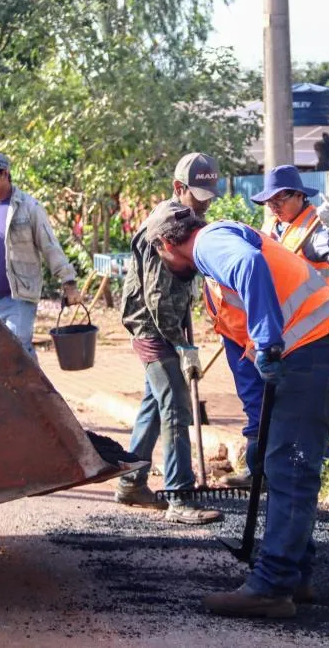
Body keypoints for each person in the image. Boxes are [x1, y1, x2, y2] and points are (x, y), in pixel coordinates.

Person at [144, 202, 329, 618]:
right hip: (318, 354)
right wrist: (255, 426)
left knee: (291, 469)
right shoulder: (212, 274)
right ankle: (294, 574)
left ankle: (272, 587)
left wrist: (268, 342)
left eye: (157, 254)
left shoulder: (210, 242)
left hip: (318, 351)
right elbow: (242, 355)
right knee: (283, 464)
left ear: (165, 243)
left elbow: (250, 267)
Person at [220, 164, 329, 488]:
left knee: (307, 400)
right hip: (278, 330)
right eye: (269, 202)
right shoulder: (273, 229)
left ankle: (322, 467)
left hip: (310, 331)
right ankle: (265, 470)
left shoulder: (315, 230)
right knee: (270, 398)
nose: (274, 207)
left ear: (299, 196)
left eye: (280, 200)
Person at [114, 153, 224, 526]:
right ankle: (180, 497)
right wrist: (183, 346)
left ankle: (131, 480)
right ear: (179, 189)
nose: (206, 201)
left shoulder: (187, 217)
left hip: (162, 325)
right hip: (153, 329)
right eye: (198, 194)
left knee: (154, 402)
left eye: (209, 194)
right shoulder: (166, 226)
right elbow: (159, 301)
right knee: (176, 405)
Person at [0, 150, 82, 360]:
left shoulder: (29, 207)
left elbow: (50, 245)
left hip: (19, 295)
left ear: (4, 173)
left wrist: (68, 282)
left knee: (16, 346)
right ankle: (25, 392)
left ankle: (37, 393)